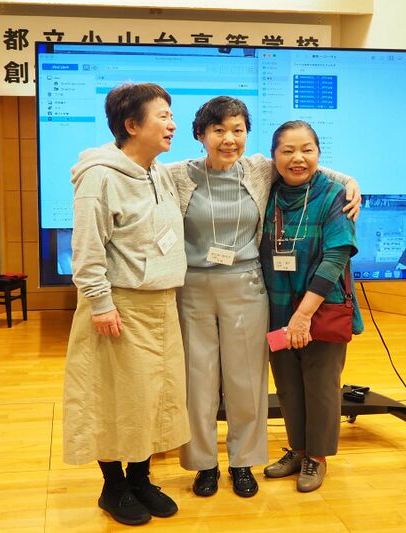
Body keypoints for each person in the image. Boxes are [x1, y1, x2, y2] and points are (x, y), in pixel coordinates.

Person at [167, 98, 361, 498]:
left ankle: (243, 462)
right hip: (197, 290)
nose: (229, 139)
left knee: (247, 382)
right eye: (218, 130)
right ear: (200, 134)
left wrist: (350, 181)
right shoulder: (177, 175)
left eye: (238, 130)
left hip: (248, 289)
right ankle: (204, 464)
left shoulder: (258, 170)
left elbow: (305, 165)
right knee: (199, 383)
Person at [62, 83, 189, 526]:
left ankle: (140, 478)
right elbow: (87, 250)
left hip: (162, 304)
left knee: (151, 397)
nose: (172, 124)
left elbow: (228, 161)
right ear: (131, 125)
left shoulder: (160, 172)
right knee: (113, 398)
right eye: (162, 116)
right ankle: (113, 486)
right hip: (120, 306)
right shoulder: (99, 176)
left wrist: (348, 180)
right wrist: (100, 304)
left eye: (171, 115)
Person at [259, 120, 364, 493]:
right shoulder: (267, 192)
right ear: (274, 156)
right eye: (287, 151)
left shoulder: (335, 195)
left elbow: (336, 257)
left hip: (321, 308)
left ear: (319, 154)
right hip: (277, 306)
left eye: (307, 150)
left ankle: (317, 457)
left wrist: (303, 315)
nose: (298, 158)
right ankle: (299, 449)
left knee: (320, 386)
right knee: (287, 385)